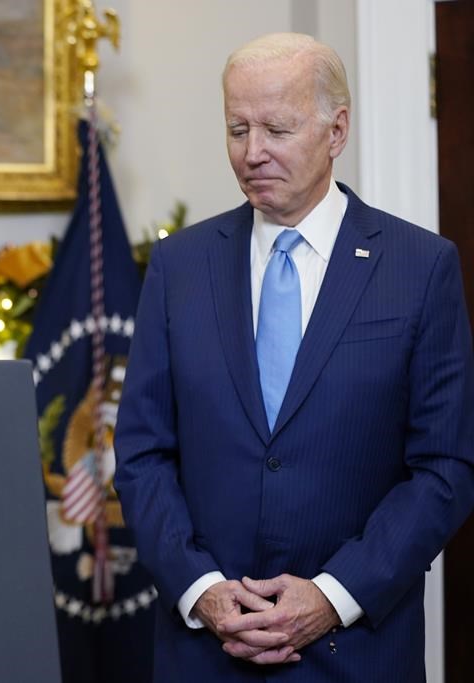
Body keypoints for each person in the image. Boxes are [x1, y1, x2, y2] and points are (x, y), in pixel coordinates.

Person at [113, 32, 474, 682]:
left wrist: (333, 594)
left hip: (357, 651)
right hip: (206, 652)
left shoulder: (420, 269)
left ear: (336, 131)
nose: (253, 153)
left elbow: (443, 469)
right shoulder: (179, 268)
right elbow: (142, 454)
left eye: (276, 128)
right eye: (236, 128)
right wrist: (201, 589)